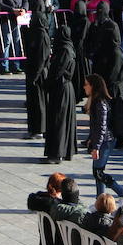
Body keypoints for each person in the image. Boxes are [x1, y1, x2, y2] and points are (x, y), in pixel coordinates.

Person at [42, 24, 78, 164]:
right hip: (65, 88)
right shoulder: (68, 48)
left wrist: (48, 83)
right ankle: (62, 151)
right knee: (62, 120)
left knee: (59, 121)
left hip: (61, 88)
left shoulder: (64, 50)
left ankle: (57, 153)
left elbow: (58, 70)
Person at [84, 73, 123, 198]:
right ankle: (100, 198)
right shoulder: (96, 101)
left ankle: (121, 192)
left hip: (105, 141)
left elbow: (102, 127)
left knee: (98, 172)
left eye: (86, 85)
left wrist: (96, 147)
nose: (84, 87)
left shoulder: (100, 103)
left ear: (93, 86)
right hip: (103, 140)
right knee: (98, 172)